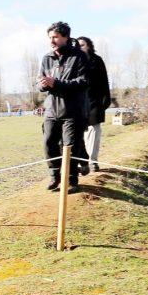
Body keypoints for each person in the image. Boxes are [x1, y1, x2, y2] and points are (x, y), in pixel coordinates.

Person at [39, 22, 88, 193]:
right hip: (51, 110)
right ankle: (55, 176)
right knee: (48, 143)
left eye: (55, 37)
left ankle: (72, 180)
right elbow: (42, 82)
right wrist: (43, 84)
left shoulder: (79, 57)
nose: (52, 40)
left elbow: (83, 82)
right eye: (50, 37)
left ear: (65, 37)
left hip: (72, 111)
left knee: (70, 146)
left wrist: (57, 83)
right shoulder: (47, 58)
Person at [77, 36, 111, 173]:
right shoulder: (74, 61)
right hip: (79, 102)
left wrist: (105, 100)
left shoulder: (97, 60)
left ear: (89, 46)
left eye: (83, 45)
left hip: (95, 102)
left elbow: (104, 81)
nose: (80, 47)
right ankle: (82, 162)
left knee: (94, 131)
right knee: (80, 134)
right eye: (78, 45)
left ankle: (93, 161)